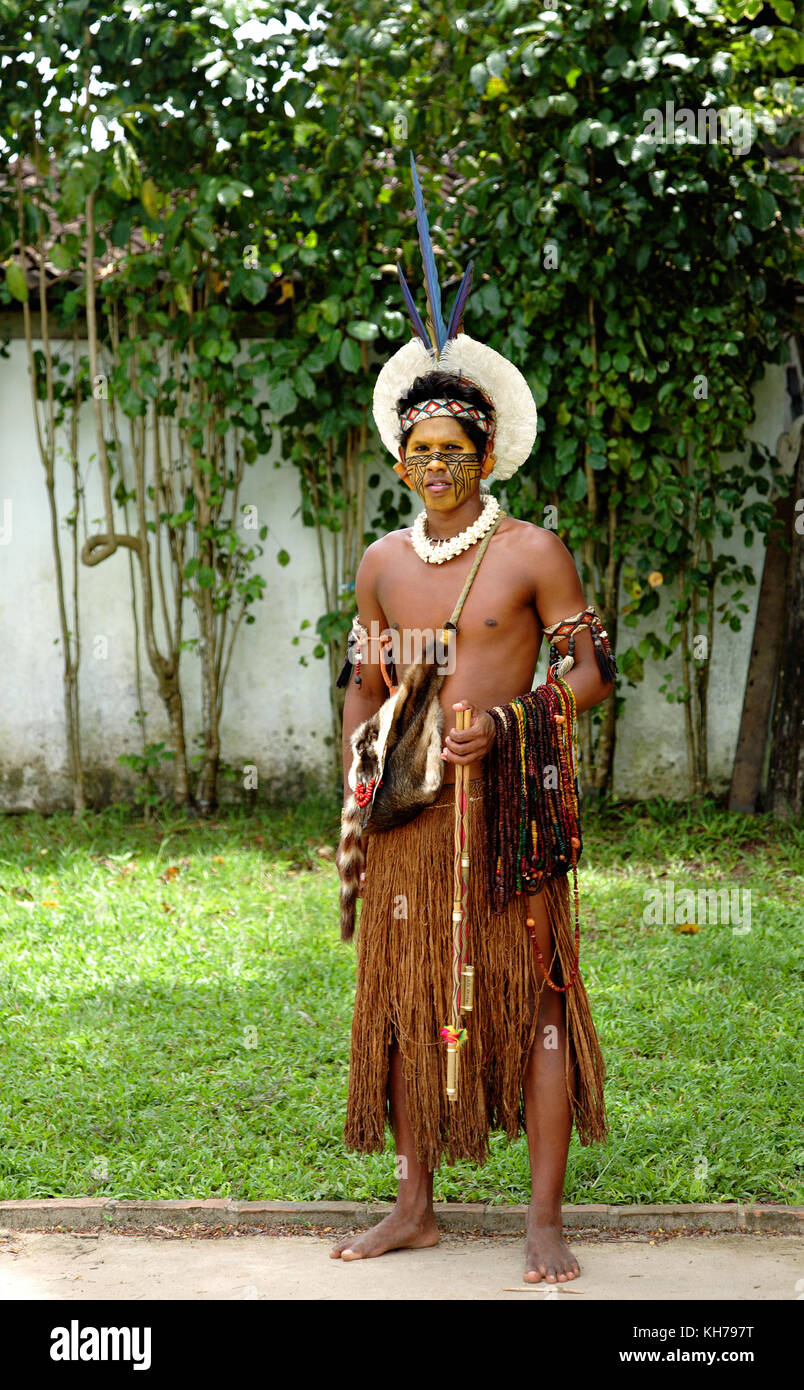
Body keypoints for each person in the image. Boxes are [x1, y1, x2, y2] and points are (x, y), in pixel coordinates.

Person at [331, 157, 615, 1284]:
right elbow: (365, 684)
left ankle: (544, 1221)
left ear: (486, 456)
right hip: (411, 814)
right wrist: (358, 791)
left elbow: (591, 671)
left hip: (512, 812)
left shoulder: (531, 550)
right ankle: (416, 1205)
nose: (437, 466)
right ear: (400, 460)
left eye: (457, 450)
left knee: (538, 1001)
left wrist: (511, 725)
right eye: (420, 451)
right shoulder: (383, 566)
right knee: (406, 1008)